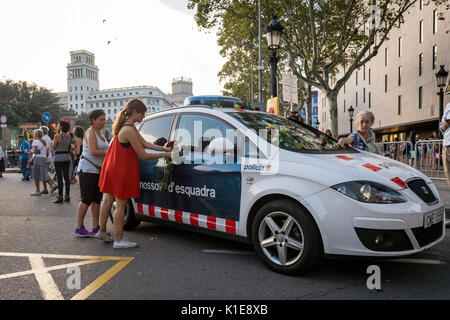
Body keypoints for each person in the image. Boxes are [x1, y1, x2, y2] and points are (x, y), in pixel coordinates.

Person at [94, 99, 172, 249]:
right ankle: (119, 240)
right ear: (135, 112)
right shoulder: (129, 129)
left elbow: (146, 143)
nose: (144, 116)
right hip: (121, 170)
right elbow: (143, 154)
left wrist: (163, 149)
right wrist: (166, 156)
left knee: (108, 199)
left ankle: (102, 231)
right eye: (142, 113)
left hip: (113, 167)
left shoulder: (127, 126)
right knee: (121, 204)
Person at [74, 111, 108, 237]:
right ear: (93, 120)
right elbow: (93, 151)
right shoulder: (90, 132)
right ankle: (79, 227)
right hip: (88, 169)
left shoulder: (100, 132)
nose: (103, 122)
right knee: (86, 198)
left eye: (104, 119)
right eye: (101, 119)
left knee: (97, 199)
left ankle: (96, 226)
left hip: (98, 169)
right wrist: (109, 152)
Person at [52, 120, 73, 203]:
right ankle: (67, 196)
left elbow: (53, 147)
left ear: (61, 127)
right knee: (67, 178)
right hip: (67, 157)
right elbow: (70, 149)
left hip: (58, 158)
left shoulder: (57, 136)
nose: (57, 126)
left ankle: (60, 196)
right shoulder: (69, 136)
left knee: (59, 178)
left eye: (58, 125)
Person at [29, 129, 50, 196]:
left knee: (36, 174)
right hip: (43, 158)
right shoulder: (45, 141)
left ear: (36, 134)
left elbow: (34, 152)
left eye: (34, 134)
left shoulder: (35, 141)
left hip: (37, 158)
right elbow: (47, 152)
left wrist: (30, 151)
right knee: (43, 173)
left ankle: (37, 190)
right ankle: (46, 188)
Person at [40, 126, 57, 192]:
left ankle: (52, 185)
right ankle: (46, 188)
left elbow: (43, 148)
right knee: (44, 173)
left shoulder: (44, 138)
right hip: (47, 157)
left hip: (44, 157)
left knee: (43, 173)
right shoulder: (48, 138)